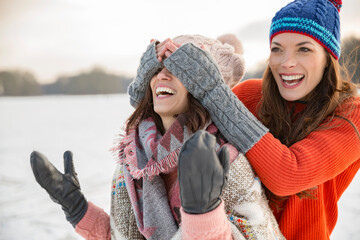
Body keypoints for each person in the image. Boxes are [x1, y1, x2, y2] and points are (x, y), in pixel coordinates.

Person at [30, 35, 285, 240]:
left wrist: (203, 214)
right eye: (159, 69)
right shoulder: (133, 162)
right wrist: (77, 210)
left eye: (178, 69)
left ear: (202, 85)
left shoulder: (223, 159)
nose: (163, 76)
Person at [151, 0, 359, 239]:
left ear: (328, 57)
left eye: (304, 49)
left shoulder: (351, 115)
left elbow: (287, 176)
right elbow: (183, 126)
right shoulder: (249, 95)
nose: (286, 62)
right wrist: (165, 66)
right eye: (277, 49)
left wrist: (214, 91)